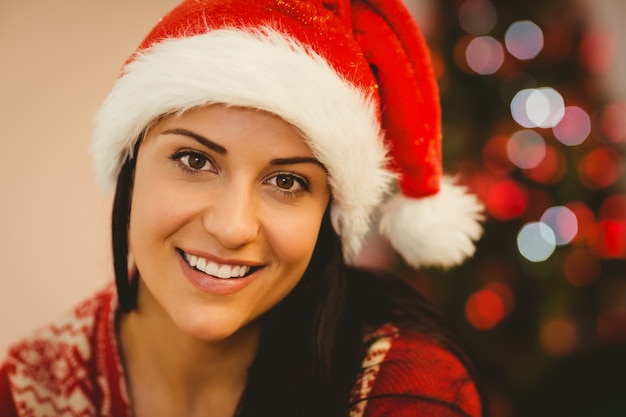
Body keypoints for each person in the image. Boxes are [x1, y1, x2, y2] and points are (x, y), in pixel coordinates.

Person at [0, 0, 486, 416]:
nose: (232, 227)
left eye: (287, 181)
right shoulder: (28, 392)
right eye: (194, 160)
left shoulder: (409, 391)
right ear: (131, 164)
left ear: (328, 216)